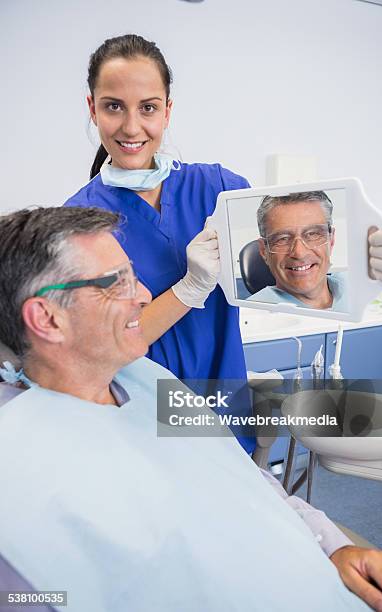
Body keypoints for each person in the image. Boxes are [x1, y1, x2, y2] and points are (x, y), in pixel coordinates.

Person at [0, 206, 382, 612]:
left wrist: (331, 545)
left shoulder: (146, 379)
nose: (143, 295)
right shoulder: (23, 462)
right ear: (47, 317)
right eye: (117, 282)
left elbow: (243, 476)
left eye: (134, 275)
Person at [64, 34, 255, 453]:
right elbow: (106, 347)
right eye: (114, 106)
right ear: (92, 109)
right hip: (141, 424)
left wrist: (362, 250)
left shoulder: (220, 188)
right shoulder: (76, 222)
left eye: (148, 107)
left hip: (224, 410)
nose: (132, 127)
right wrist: (189, 289)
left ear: (167, 112)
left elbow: (289, 266)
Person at [247, 191, 348, 310]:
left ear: (331, 240)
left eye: (312, 234)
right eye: (283, 239)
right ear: (264, 250)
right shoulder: (249, 315)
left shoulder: (360, 288)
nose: (299, 253)